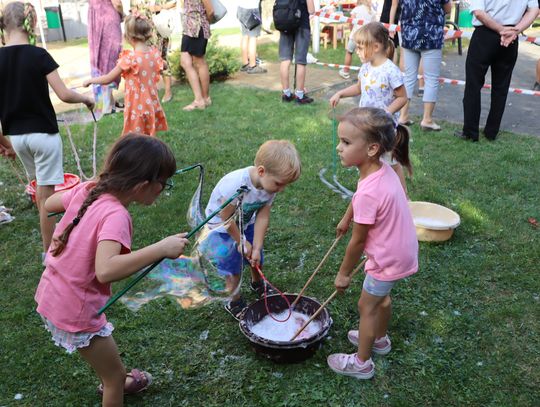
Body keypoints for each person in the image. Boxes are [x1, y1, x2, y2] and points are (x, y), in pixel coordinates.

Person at [35, 134, 189, 405]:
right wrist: (161, 248)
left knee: (110, 369)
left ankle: (114, 375)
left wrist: (86, 187)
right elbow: (106, 270)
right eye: (163, 184)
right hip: (75, 309)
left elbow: (48, 204)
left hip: (51, 294)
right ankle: (116, 381)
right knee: (114, 378)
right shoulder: (116, 215)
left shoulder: (89, 190)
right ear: (143, 185)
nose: (162, 189)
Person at [326, 107, 418, 380]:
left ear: (372, 148)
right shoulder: (383, 169)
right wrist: (347, 217)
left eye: (346, 142)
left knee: (367, 307)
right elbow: (360, 197)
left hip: (385, 257)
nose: (338, 147)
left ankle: (361, 363)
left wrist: (343, 274)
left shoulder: (370, 190)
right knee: (382, 299)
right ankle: (379, 338)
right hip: (401, 250)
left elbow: (358, 240)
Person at [0, 2, 94, 255]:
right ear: (30, 23)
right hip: (44, 135)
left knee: (42, 193)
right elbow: (63, 94)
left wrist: (5, 143)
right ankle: (50, 252)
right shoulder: (39, 55)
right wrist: (86, 98)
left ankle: (51, 246)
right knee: (47, 198)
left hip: (18, 139)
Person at [201, 140, 301, 320]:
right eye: (279, 184)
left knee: (257, 256)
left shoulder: (269, 185)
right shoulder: (236, 184)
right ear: (261, 171)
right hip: (221, 228)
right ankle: (235, 300)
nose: (282, 189)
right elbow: (226, 219)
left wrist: (256, 245)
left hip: (245, 222)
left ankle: (258, 283)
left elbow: (263, 215)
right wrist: (241, 241)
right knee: (232, 265)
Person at [329, 22, 409, 194]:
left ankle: (404, 197)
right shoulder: (365, 68)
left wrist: (386, 113)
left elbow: (402, 97)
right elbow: (359, 88)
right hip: (365, 126)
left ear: (376, 46)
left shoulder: (390, 70)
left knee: (391, 163)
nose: (356, 51)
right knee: (366, 162)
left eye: (359, 47)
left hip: (383, 128)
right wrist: (340, 93)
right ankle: (368, 192)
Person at [455, 0, 539, 142]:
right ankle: (491, 132)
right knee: (501, 87)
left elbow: (479, 12)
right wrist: (515, 30)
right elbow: (534, 10)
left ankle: (470, 132)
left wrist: (503, 30)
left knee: (473, 85)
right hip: (511, 36)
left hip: (485, 34)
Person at [83, 11, 168, 137]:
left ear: (128, 37)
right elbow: (164, 65)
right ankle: (152, 155)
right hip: (151, 103)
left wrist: (91, 80)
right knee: (149, 135)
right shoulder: (154, 54)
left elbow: (108, 78)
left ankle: (141, 156)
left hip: (136, 105)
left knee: (136, 138)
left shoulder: (129, 59)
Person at [397, 0, 452, 131]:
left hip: (410, 35)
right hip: (431, 37)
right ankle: (427, 119)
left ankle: (403, 116)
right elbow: (448, 8)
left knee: (408, 78)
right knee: (431, 79)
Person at [88, 0, 124, 115]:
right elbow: (117, 3)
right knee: (110, 58)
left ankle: (109, 102)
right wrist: (122, 14)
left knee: (99, 59)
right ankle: (107, 106)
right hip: (108, 17)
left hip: (94, 18)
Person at [279, 0, 315, 104]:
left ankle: (286, 94)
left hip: (285, 23)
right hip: (302, 25)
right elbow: (311, 10)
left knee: (285, 60)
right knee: (300, 61)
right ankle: (300, 95)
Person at [180, 0, 214, 111]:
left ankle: (202, 99)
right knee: (190, 62)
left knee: (198, 62)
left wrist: (203, 22)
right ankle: (204, 99)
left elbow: (210, 11)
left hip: (197, 28)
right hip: (189, 29)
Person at [339, 0, 377, 80]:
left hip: (355, 36)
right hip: (366, 37)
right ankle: (366, 74)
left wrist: (351, 30)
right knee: (365, 55)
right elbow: (374, 26)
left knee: (349, 52)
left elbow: (351, 22)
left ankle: (345, 71)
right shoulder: (372, 11)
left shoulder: (356, 9)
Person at [149, 0, 177, 103]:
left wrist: (159, 8)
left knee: (162, 59)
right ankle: (150, 93)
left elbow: (173, 3)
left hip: (159, 30)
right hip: (144, 31)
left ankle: (168, 92)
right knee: (146, 61)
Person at [237, 0, 267, 74]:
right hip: (252, 9)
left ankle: (245, 64)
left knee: (245, 35)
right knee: (253, 37)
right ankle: (252, 65)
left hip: (241, 8)